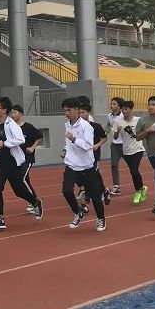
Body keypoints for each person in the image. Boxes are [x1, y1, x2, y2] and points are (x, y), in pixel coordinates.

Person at [0, 96, 42, 229]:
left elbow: (20, 140)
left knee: (18, 191)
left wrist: (4, 144)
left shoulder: (11, 124)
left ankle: (35, 202)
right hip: (1, 162)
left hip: (12, 162)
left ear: (4, 110)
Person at [60, 96, 106, 232]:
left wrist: (74, 139)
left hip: (87, 167)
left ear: (77, 110)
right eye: (65, 111)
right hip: (71, 165)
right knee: (66, 191)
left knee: (95, 195)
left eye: (69, 110)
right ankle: (78, 212)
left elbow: (88, 146)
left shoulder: (86, 126)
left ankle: (101, 218)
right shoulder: (67, 125)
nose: (66, 113)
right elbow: (68, 143)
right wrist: (65, 150)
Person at [9, 105, 44, 219]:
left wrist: (33, 147)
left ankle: (35, 200)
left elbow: (39, 136)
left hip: (27, 158)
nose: (12, 115)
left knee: (21, 179)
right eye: (11, 113)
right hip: (15, 159)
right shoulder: (10, 127)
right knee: (26, 181)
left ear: (20, 114)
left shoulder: (28, 127)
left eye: (15, 112)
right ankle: (33, 200)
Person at [113, 100, 147, 203]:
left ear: (132, 109)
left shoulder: (139, 120)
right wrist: (118, 130)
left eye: (126, 109)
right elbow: (115, 137)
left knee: (134, 170)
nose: (124, 111)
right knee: (133, 172)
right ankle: (142, 188)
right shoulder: (118, 122)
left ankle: (137, 192)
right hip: (126, 150)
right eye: (122, 109)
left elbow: (142, 133)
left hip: (138, 149)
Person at [80, 102, 111, 206]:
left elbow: (105, 138)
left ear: (89, 113)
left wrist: (97, 145)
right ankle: (104, 190)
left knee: (92, 175)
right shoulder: (77, 127)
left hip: (94, 155)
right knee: (88, 176)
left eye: (83, 112)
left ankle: (88, 197)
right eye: (79, 112)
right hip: (81, 156)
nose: (81, 115)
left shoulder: (95, 126)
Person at [106, 96, 125, 196]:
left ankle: (138, 186)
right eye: (111, 103)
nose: (111, 105)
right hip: (115, 144)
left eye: (114, 104)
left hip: (125, 144)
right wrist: (104, 133)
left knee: (132, 167)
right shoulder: (109, 116)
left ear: (119, 106)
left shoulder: (124, 116)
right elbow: (108, 126)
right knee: (114, 165)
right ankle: (116, 186)